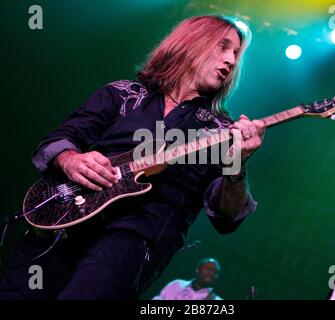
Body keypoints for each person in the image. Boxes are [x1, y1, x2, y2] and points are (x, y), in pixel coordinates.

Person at [0, 15, 265, 300]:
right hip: (63, 220)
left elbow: (227, 217)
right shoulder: (123, 94)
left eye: (237, 54)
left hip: (136, 239)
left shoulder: (221, 130)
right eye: (223, 47)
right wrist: (71, 160)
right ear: (192, 43)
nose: (231, 61)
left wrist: (238, 164)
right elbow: (56, 142)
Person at [153, 258, 223, 300]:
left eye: (216, 272)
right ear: (197, 270)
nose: (212, 273)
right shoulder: (177, 284)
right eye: (208, 269)